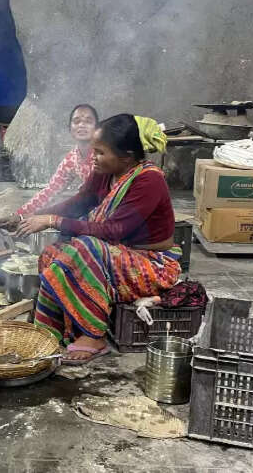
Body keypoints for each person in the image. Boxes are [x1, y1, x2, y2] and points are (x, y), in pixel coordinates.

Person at [15, 114, 180, 364]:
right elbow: (79, 202)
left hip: (151, 264)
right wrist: (27, 216)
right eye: (94, 150)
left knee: (83, 247)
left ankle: (94, 334)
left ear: (126, 156)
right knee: (52, 254)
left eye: (100, 152)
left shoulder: (149, 180)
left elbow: (114, 231)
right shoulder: (105, 171)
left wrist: (52, 221)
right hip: (115, 255)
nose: (93, 157)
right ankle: (57, 328)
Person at [10, 104, 99, 218]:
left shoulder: (103, 154)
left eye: (88, 121)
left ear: (96, 128)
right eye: (76, 121)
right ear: (70, 128)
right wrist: (19, 214)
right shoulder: (72, 159)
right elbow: (50, 191)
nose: (82, 125)